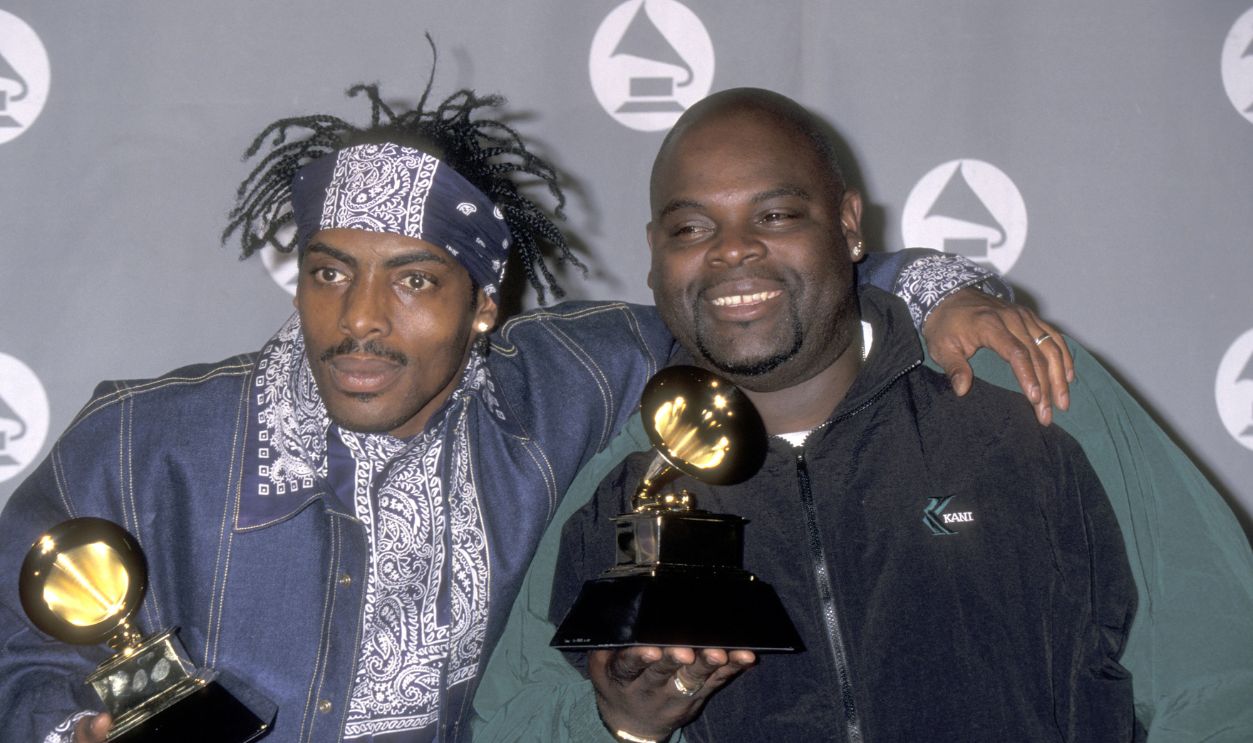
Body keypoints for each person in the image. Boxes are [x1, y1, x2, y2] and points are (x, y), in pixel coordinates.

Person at [0, 74, 1070, 743]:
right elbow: (18, 646)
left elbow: (754, 296)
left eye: (414, 279)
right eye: (330, 272)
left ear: (483, 307)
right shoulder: (145, 440)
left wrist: (934, 287)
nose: (358, 321)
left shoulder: (557, 384)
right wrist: (69, 729)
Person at [471, 88, 1253, 742]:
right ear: (653, 253)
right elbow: (512, 720)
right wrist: (623, 725)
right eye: (691, 227)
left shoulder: (1029, 397)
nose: (732, 250)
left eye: (775, 215)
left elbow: (1222, 674)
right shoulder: (622, 480)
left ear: (848, 225)